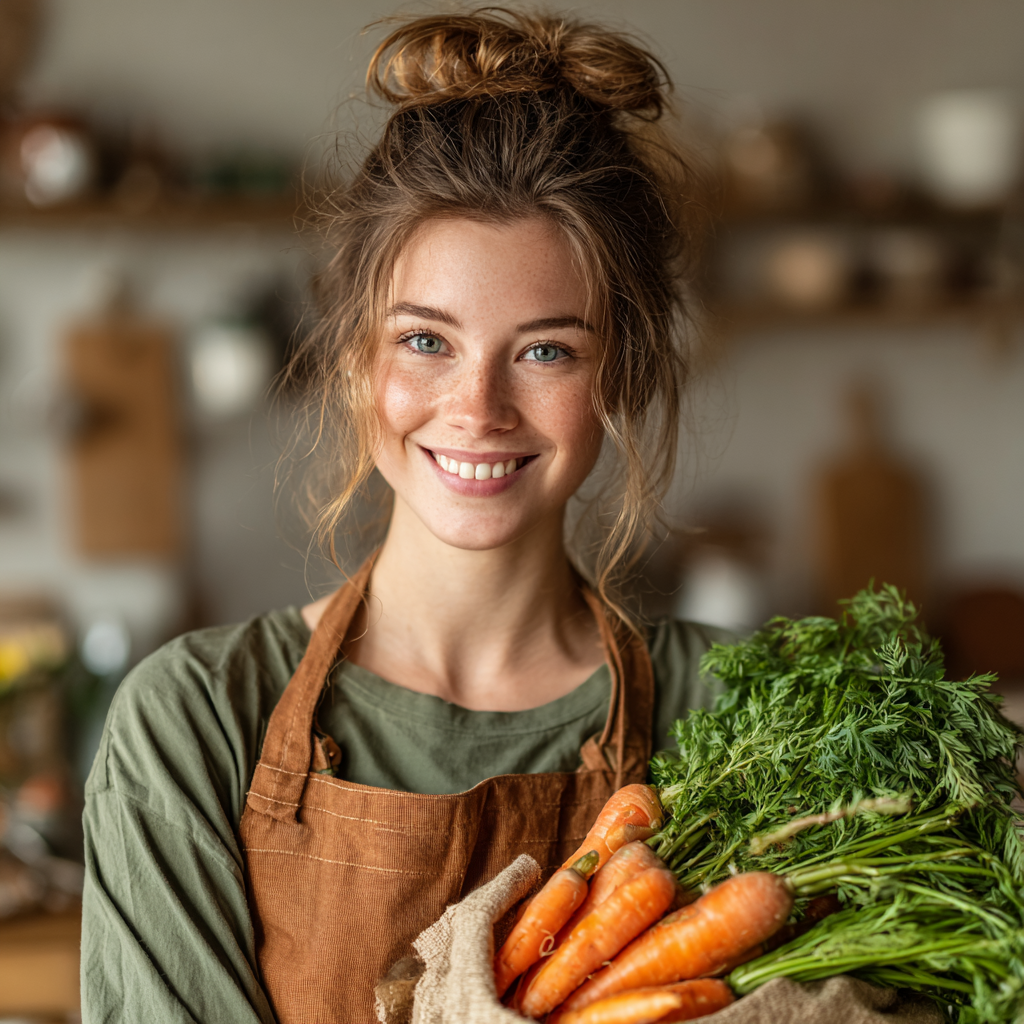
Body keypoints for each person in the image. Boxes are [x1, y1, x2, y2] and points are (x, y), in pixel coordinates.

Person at [80, 9, 726, 1023]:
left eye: (545, 349)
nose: (477, 408)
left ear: (622, 376)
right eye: (426, 341)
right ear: (353, 363)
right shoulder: (197, 722)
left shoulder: (730, 711)